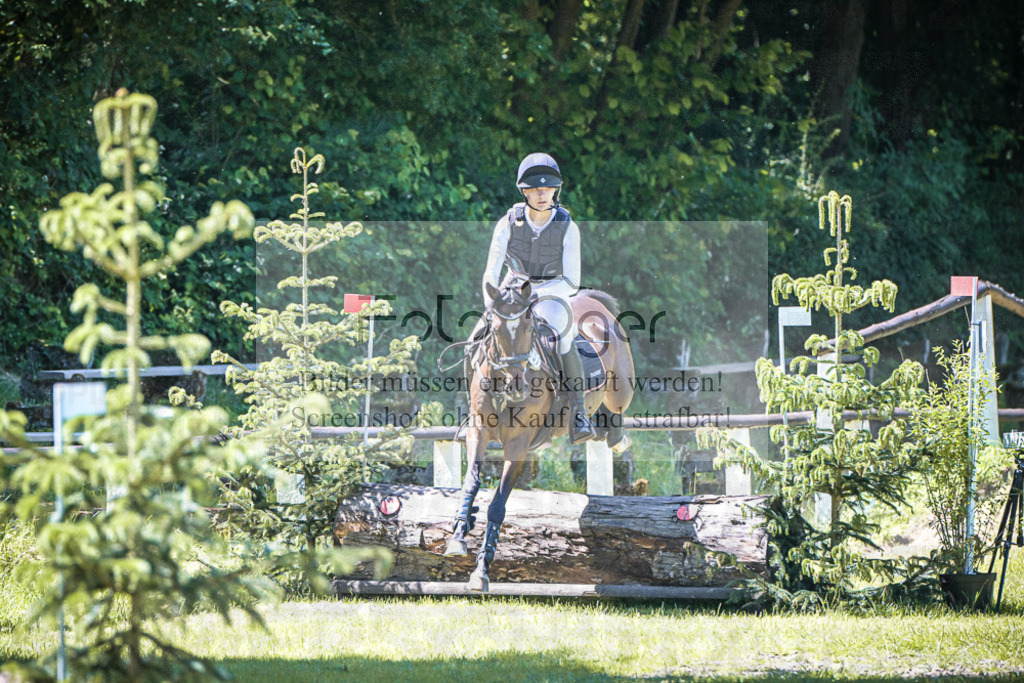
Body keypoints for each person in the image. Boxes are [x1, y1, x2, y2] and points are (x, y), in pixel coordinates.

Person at [480, 152, 596, 444]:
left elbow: (572, 280)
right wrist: (491, 305)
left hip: (553, 291)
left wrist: (534, 297)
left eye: (548, 188)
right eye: (535, 189)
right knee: (478, 332)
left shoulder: (569, 227)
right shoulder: (507, 223)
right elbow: (490, 274)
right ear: (525, 191)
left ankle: (580, 413)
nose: (543, 194)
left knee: (565, 335)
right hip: (511, 292)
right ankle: (471, 408)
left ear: (556, 190)